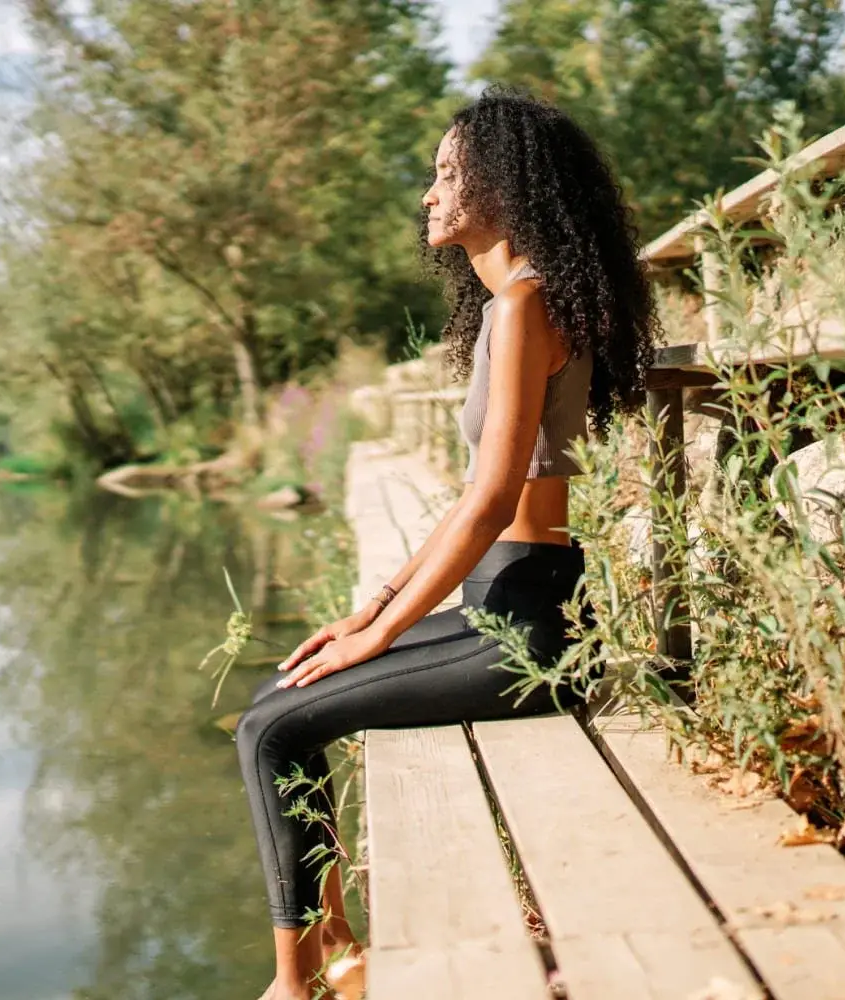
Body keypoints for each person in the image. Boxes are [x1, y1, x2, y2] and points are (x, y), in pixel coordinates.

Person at [236, 88, 658, 1000]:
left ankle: (294, 987)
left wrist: (378, 637)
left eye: (447, 174)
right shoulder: (519, 301)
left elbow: (493, 501)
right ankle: (335, 948)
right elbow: (476, 501)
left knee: (270, 727)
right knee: (280, 690)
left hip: (529, 632)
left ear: (502, 184)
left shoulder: (527, 305)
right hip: (505, 606)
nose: (428, 195)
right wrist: (372, 611)